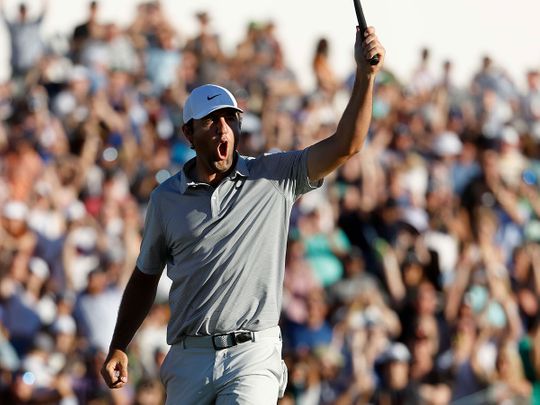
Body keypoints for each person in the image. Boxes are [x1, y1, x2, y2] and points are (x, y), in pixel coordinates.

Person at [100, 25, 385, 404]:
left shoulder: (274, 176)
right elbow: (144, 277)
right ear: (188, 131)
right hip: (189, 357)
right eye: (210, 121)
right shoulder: (165, 199)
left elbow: (346, 145)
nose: (223, 130)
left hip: (252, 353)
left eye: (230, 119)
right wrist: (120, 345)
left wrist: (365, 77)